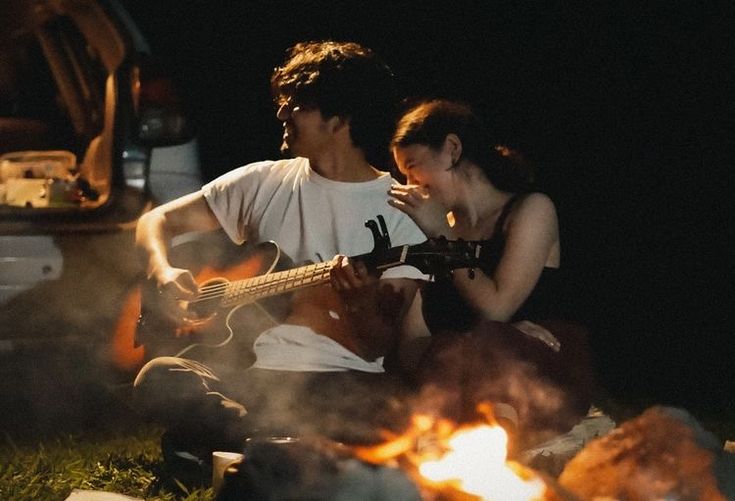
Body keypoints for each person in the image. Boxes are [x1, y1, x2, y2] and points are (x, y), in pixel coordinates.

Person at [131, 41, 427, 478]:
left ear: (340, 119)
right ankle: (279, 444)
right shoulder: (261, 182)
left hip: (341, 380)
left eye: (297, 105)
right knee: (159, 375)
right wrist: (164, 270)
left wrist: (361, 301)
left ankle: (230, 446)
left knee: (386, 413)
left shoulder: (400, 212)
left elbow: (375, 346)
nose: (281, 114)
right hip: (251, 374)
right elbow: (154, 222)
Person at [388, 99, 595, 447]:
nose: (412, 185)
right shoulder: (443, 229)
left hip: (537, 374)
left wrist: (444, 238)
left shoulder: (529, 209)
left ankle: (495, 445)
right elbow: (416, 342)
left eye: (413, 167)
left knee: (494, 340)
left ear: (452, 150)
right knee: (451, 349)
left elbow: (496, 309)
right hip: (463, 377)